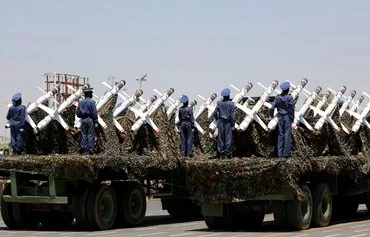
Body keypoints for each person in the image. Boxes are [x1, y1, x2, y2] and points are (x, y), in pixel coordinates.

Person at [269, 81, 295, 158]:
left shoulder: (277, 97)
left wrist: (271, 116)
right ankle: (286, 154)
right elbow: (291, 109)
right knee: (287, 135)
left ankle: (279, 154)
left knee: (280, 135)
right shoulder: (289, 97)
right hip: (287, 117)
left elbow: (272, 108)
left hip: (280, 117)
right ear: (288, 89)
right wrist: (292, 119)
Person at [76, 86, 98, 155]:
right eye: (91, 93)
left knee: (84, 134)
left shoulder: (80, 102)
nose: (92, 94)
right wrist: (96, 121)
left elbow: (78, 113)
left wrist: (82, 116)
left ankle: (83, 149)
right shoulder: (92, 102)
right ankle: (90, 150)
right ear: (89, 94)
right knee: (90, 134)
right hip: (90, 119)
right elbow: (94, 112)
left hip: (83, 120)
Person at [214, 88, 235, 158]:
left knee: (221, 138)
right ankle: (227, 153)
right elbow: (232, 116)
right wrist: (233, 124)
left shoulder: (219, 103)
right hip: (228, 123)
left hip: (220, 122)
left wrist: (217, 119)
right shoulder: (231, 104)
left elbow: (215, 113)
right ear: (229, 95)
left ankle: (220, 153)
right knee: (228, 138)